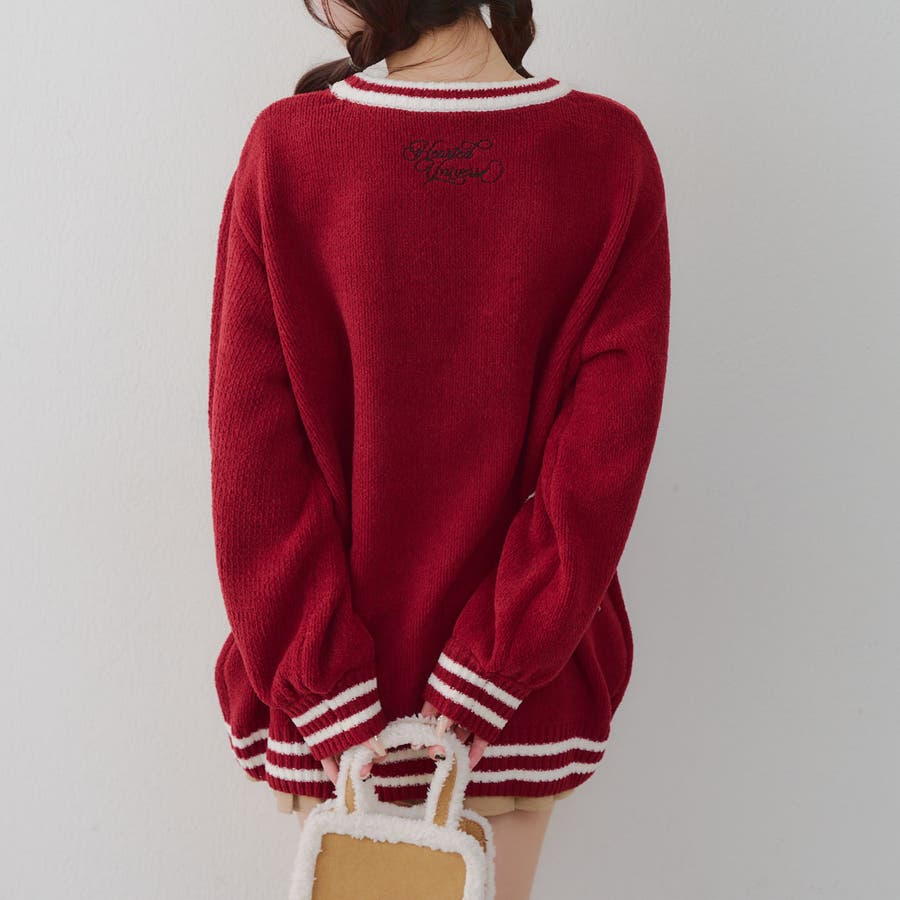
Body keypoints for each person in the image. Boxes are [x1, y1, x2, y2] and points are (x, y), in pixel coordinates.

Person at [208, 2, 670, 896]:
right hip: (512, 709)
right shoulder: (608, 152)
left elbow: (254, 469)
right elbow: (597, 474)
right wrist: (483, 678)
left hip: (339, 721)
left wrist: (328, 691)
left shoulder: (289, 151)